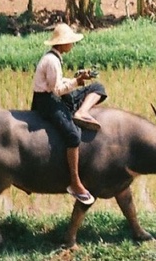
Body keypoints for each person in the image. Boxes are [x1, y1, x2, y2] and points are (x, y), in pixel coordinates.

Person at [32, 23, 107, 205]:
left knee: (97, 88)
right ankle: (74, 182)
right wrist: (76, 81)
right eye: (70, 42)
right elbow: (56, 90)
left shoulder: (55, 58)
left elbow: (57, 82)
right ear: (62, 44)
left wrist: (79, 79)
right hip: (46, 102)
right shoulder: (51, 61)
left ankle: (82, 111)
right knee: (73, 136)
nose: (72, 45)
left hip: (52, 94)